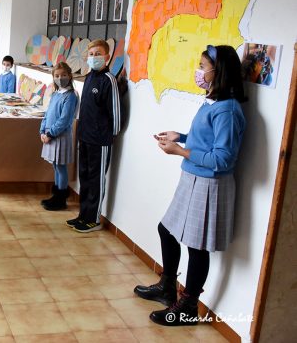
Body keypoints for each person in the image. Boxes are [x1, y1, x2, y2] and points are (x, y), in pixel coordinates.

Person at [134, 45, 246, 327]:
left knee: (197, 248)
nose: (199, 71)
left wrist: (180, 151)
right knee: (167, 229)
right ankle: (167, 287)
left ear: (218, 72)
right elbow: (205, 140)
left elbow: (222, 158)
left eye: (202, 66)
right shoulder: (214, 103)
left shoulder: (228, 110)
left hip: (209, 184)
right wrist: (181, 136)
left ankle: (188, 307)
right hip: (193, 177)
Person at [67, 39, 120, 233]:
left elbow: (115, 112)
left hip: (100, 140)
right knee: (85, 177)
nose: (94, 57)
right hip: (85, 137)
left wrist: (109, 134)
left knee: (96, 179)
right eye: (91, 54)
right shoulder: (89, 77)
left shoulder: (109, 80)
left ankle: (94, 219)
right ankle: (84, 214)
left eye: (98, 54)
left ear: (107, 57)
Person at [39, 62, 79, 211]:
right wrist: (42, 131)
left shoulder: (70, 96)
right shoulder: (55, 94)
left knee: (61, 167)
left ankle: (61, 199)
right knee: (55, 166)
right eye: (57, 75)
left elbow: (65, 120)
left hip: (60, 136)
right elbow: (47, 114)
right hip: (49, 135)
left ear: (70, 76)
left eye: (63, 75)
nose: (60, 78)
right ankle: (56, 196)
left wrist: (50, 134)